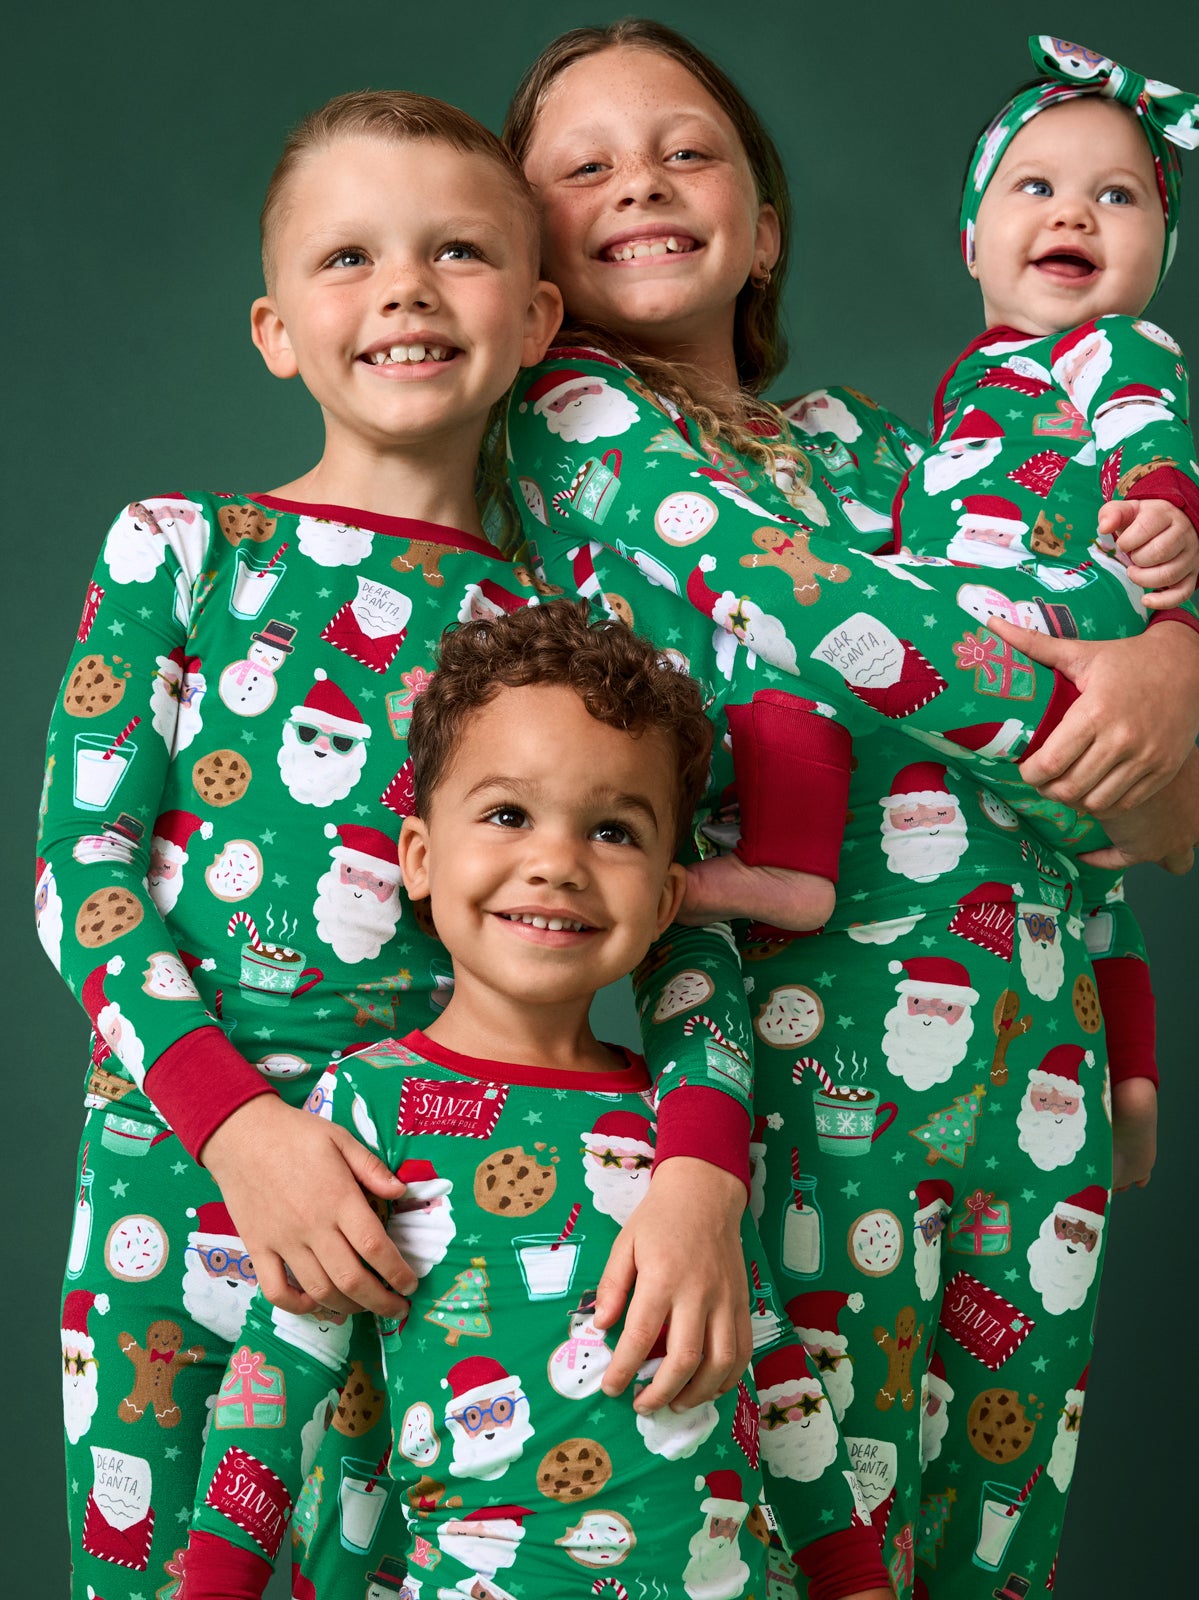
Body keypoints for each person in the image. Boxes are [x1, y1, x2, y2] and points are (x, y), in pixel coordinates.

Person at [500, 20, 1199, 1596]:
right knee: (836, 1531)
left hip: (1041, 1038)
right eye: (587, 163)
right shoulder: (574, 428)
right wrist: (1119, 728)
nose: (645, 182)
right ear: (532, 248)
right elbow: (833, 617)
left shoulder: (870, 446)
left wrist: (1176, 667)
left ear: (765, 223)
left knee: (1001, 1529)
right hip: (805, 1060)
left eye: (691, 149)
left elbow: (1068, 582)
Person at [38, 90, 763, 1600]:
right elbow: (79, 873)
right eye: (348, 259)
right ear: (274, 329)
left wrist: (703, 1178)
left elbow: (682, 915)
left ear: (540, 309)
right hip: (183, 1176)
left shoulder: (571, 634)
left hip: (453, 1203)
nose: (406, 293)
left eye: (456, 253)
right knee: (174, 1566)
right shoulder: (181, 548)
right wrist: (235, 1128)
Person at [181, 599, 895, 1600]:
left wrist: (849, 1573)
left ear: (662, 898)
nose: (556, 862)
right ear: (419, 857)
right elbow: (278, 1377)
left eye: (611, 829)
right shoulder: (368, 1105)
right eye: (508, 813)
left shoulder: (686, 1138)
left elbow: (769, 1366)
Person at [886, 35, 1199, 1193]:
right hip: (1004, 639)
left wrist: (1165, 514)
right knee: (1087, 876)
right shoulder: (976, 378)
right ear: (973, 240)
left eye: (1115, 196)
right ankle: (1129, 1080)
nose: (1071, 212)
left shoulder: (1114, 346)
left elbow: (1146, 434)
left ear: (1157, 255)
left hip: (1057, 606)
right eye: (1035, 186)